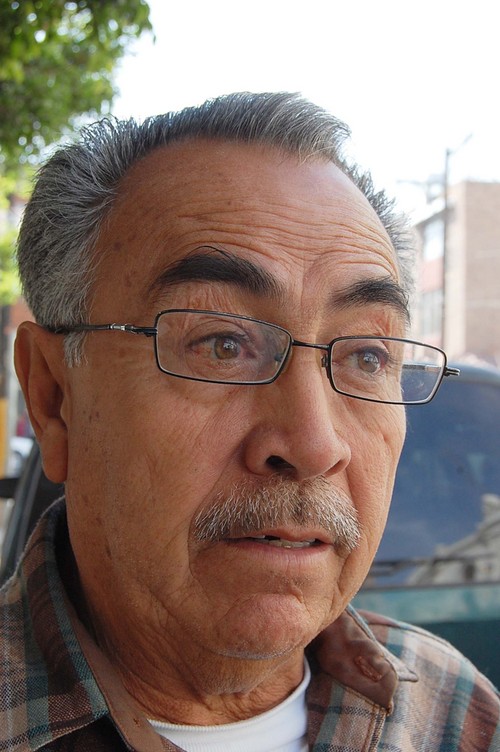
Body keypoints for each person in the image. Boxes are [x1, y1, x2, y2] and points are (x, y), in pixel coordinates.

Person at [1, 92, 498, 752]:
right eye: (221, 344)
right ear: (53, 398)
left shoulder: (458, 715)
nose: (315, 445)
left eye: (367, 356)